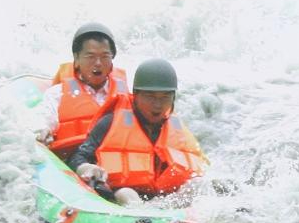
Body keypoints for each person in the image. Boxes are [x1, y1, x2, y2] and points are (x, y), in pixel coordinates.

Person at [70, 58, 208, 206]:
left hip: (163, 199)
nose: (158, 105)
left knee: (199, 184)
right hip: (122, 193)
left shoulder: (177, 129)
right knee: (127, 195)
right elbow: (78, 157)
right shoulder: (109, 123)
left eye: (165, 97)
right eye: (150, 97)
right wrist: (87, 167)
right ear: (135, 94)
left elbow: (200, 164)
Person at [39, 23, 129, 159]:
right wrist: (43, 131)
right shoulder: (56, 94)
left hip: (113, 160)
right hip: (72, 161)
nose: (98, 63)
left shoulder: (127, 95)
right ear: (76, 59)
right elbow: (44, 123)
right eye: (90, 56)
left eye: (105, 56)